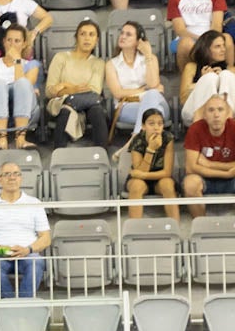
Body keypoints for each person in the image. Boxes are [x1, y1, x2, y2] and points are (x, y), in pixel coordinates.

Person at [0, 161, 49, 298]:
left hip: (28, 252)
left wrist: (27, 249)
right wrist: (2, 249)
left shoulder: (34, 203)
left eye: (16, 174)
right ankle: (9, 304)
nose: (12, 177)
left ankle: (23, 304)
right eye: (7, 174)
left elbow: (46, 238)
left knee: (37, 262)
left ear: (21, 178)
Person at [46, 20, 108, 148]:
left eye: (91, 35)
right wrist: (72, 89)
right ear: (76, 37)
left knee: (97, 110)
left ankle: (102, 154)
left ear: (97, 40)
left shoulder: (98, 63)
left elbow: (94, 92)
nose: (87, 38)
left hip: (86, 103)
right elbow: (49, 91)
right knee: (65, 110)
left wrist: (65, 86)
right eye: (83, 34)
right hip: (61, 103)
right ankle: (59, 153)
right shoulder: (61, 57)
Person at [107, 19, 169, 138]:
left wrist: (148, 55)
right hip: (127, 106)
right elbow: (118, 93)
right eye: (122, 33)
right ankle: (146, 141)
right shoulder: (111, 64)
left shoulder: (151, 59)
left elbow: (152, 83)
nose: (123, 36)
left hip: (154, 104)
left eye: (128, 34)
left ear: (138, 41)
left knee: (152, 97)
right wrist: (143, 90)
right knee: (153, 104)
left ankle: (135, 137)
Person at [183, 94, 235, 215]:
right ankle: (201, 227)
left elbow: (197, 165)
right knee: (190, 184)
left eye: (220, 110)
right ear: (204, 115)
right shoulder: (195, 129)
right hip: (205, 179)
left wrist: (209, 164)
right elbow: (190, 168)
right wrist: (226, 173)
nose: (216, 115)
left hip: (232, 180)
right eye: (211, 110)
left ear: (228, 114)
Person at [123, 110, 178, 220]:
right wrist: (150, 150)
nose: (156, 127)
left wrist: (142, 175)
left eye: (160, 123)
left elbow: (167, 172)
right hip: (138, 179)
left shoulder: (168, 138)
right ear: (143, 126)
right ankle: (134, 230)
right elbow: (140, 170)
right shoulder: (138, 139)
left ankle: (175, 228)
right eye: (151, 123)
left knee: (167, 184)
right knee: (137, 186)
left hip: (160, 178)